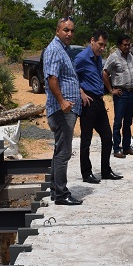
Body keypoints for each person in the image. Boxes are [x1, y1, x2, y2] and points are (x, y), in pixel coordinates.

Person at [73, 29, 123, 183]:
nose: (102, 48)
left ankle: (106, 170)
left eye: (104, 46)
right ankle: (86, 173)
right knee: (86, 139)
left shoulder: (98, 58)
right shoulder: (81, 58)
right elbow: (71, 77)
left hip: (99, 101)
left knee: (107, 137)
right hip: (88, 102)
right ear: (92, 41)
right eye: (100, 44)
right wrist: (81, 93)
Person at [43, 17, 83, 205]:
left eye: (72, 30)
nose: (69, 34)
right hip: (61, 110)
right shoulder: (54, 49)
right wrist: (62, 101)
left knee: (60, 150)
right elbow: (52, 78)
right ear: (58, 30)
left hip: (66, 108)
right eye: (66, 30)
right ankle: (61, 194)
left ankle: (55, 190)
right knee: (64, 153)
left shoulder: (63, 50)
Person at [103, 34, 133, 158]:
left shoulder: (130, 56)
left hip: (131, 93)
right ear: (119, 45)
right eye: (125, 44)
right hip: (121, 93)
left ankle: (126, 147)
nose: (127, 46)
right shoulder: (113, 57)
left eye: (129, 44)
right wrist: (110, 90)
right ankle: (116, 148)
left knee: (128, 122)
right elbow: (105, 73)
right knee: (118, 121)